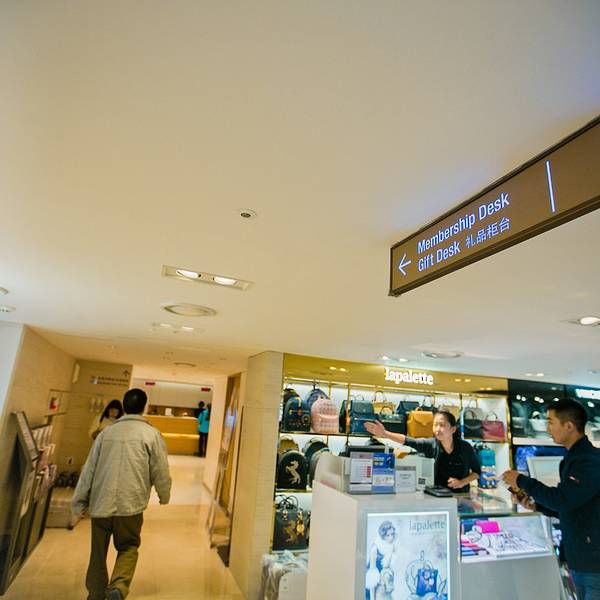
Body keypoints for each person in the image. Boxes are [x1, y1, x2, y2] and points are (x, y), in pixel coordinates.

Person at [72, 388, 172, 600]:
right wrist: (164, 494)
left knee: (98, 551)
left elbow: (89, 469)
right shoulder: (151, 434)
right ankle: (118, 585)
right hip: (130, 504)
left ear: (124, 407)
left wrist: (79, 501)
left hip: (101, 502)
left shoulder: (106, 433)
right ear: (144, 407)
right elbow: (161, 469)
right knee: (128, 546)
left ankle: (96, 593)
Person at [502, 399, 600, 600]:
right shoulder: (575, 459)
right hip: (581, 559)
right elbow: (572, 505)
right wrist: (536, 505)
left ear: (569, 426)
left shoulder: (588, 461)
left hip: (593, 563)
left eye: (551, 422)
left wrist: (521, 480)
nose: (547, 428)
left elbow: (562, 499)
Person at [365, 410, 480, 492]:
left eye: (442, 425)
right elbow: (409, 441)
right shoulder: (431, 445)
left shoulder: (465, 447)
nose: (437, 429)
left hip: (461, 497)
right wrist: (385, 433)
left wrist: (462, 482)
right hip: (436, 497)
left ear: (453, 429)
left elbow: (476, 472)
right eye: (435, 425)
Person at [365, 520, 396, 600]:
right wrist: (372, 598)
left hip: (384, 588)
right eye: (388, 535)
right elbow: (371, 578)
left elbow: (387, 567)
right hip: (372, 591)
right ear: (382, 535)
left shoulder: (391, 547)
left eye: (392, 534)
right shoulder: (375, 548)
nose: (391, 537)